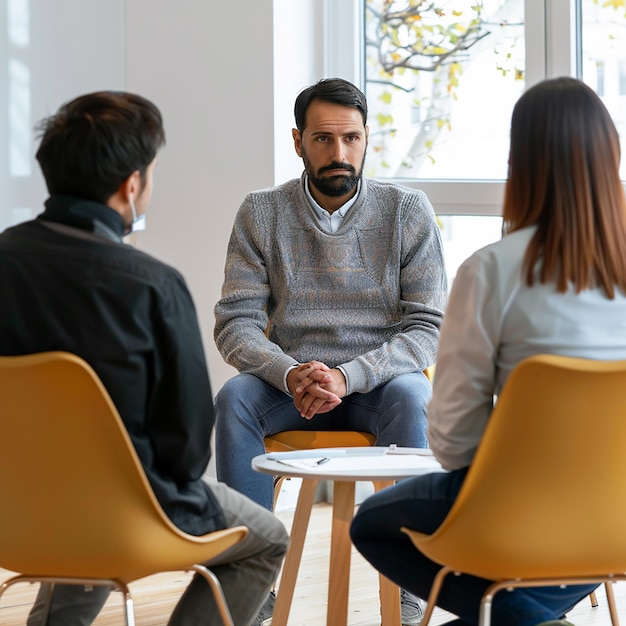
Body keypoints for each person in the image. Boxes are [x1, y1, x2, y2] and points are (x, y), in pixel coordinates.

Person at [0, 91, 289, 626]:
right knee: (267, 538)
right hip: (121, 515)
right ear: (131, 184)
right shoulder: (149, 286)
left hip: (13, 513)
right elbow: (184, 449)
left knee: (86, 522)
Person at [349, 75, 626, 626]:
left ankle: (524, 617)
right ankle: (528, 616)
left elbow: (452, 439)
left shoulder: (491, 270)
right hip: (616, 509)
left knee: (372, 523)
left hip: (520, 502)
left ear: (520, 163)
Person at [213, 77, 447, 625]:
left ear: (367, 140)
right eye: (322, 139)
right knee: (234, 399)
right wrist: (289, 371)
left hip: (380, 385)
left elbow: (426, 328)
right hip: (287, 385)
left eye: (351, 139)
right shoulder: (261, 212)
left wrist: (349, 376)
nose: (338, 153)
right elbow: (236, 324)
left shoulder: (407, 211)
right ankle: (251, 579)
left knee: (415, 394)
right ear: (297, 141)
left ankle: (409, 581)